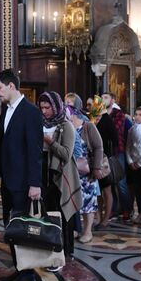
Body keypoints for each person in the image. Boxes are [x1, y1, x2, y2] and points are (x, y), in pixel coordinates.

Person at [0, 70, 42, 281]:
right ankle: (19, 269)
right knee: (12, 228)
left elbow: (34, 150)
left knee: (23, 230)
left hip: (23, 183)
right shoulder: (6, 110)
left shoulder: (30, 112)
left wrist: (35, 183)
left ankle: (27, 275)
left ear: (11, 86)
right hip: (8, 181)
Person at [40, 92, 82, 262]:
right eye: (41, 107)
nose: (44, 111)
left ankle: (67, 250)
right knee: (49, 213)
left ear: (55, 106)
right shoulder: (40, 123)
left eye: (47, 107)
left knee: (64, 214)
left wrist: (50, 142)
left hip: (61, 174)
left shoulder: (66, 125)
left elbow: (66, 153)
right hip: (44, 173)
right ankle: (52, 248)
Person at [68, 105, 104, 243]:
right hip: (72, 170)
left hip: (87, 170)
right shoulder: (68, 126)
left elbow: (98, 147)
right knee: (75, 200)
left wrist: (96, 167)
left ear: (73, 114)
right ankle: (76, 228)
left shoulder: (88, 126)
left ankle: (88, 231)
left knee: (88, 201)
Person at [102, 92, 132, 222]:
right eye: (102, 98)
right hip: (105, 151)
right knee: (110, 181)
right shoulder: (101, 114)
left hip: (117, 151)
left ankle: (127, 209)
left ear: (113, 100)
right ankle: (114, 208)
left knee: (121, 181)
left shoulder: (119, 114)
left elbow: (116, 129)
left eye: (106, 97)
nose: (103, 100)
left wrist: (103, 117)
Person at [90, 96, 119, 225]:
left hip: (105, 159)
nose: (90, 107)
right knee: (98, 191)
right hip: (95, 158)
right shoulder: (93, 120)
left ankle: (106, 217)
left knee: (107, 190)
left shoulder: (107, 119)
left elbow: (115, 139)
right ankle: (99, 216)